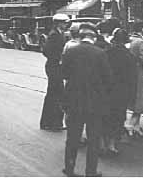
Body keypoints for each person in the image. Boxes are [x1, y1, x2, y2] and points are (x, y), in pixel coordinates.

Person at [62, 23, 112, 178]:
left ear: (81, 37)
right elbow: (108, 79)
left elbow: (64, 74)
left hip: (74, 102)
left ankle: (69, 168)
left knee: (73, 137)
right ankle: (90, 171)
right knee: (93, 138)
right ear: (94, 37)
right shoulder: (100, 53)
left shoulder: (70, 51)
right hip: (94, 103)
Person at [103, 28, 137, 155]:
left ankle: (103, 142)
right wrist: (132, 96)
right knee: (118, 118)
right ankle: (112, 144)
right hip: (122, 92)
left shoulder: (106, 53)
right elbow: (133, 79)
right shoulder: (130, 57)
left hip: (107, 90)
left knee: (105, 116)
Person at [39, 16, 68, 131]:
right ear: (58, 24)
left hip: (55, 67)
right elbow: (46, 51)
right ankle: (52, 123)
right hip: (54, 67)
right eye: (64, 23)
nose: (66, 25)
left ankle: (51, 122)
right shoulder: (54, 35)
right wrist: (58, 58)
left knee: (54, 94)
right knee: (55, 95)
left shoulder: (58, 33)